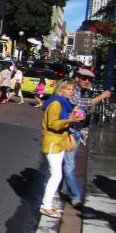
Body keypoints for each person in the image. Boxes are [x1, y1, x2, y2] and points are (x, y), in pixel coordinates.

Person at [60, 68, 112, 208]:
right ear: (78, 78)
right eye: (84, 78)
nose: (87, 81)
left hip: (77, 133)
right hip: (69, 131)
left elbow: (87, 115)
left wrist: (84, 132)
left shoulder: (85, 92)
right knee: (69, 165)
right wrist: (101, 96)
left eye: (89, 79)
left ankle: (64, 190)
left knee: (68, 164)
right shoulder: (73, 90)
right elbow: (83, 104)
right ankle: (75, 196)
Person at [40, 79, 83, 218]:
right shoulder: (56, 103)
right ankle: (46, 205)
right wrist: (70, 120)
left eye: (72, 90)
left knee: (52, 173)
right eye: (69, 89)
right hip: (53, 142)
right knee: (56, 175)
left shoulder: (62, 104)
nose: (71, 92)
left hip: (57, 142)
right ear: (61, 90)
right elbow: (53, 124)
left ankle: (48, 202)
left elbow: (60, 120)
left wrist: (71, 115)